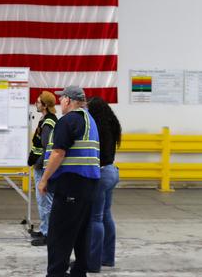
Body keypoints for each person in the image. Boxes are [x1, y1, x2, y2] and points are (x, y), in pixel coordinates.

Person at [38, 86, 101, 277]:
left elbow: (58, 152)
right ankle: (79, 271)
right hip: (88, 186)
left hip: (70, 185)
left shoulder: (68, 120)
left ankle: (56, 273)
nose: (60, 102)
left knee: (59, 235)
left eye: (61, 99)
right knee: (81, 233)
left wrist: (44, 179)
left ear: (68, 100)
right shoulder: (89, 120)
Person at [86, 97, 121, 272]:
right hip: (112, 172)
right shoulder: (112, 126)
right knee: (106, 215)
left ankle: (92, 262)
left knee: (95, 218)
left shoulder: (96, 129)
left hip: (100, 174)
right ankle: (108, 258)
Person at [28, 91, 58, 246]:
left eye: (38, 102)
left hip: (43, 167)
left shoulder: (48, 124)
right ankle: (44, 229)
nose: (36, 104)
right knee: (43, 201)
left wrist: (39, 164)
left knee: (45, 202)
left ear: (45, 105)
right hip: (40, 166)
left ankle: (48, 234)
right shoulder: (46, 120)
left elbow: (48, 148)